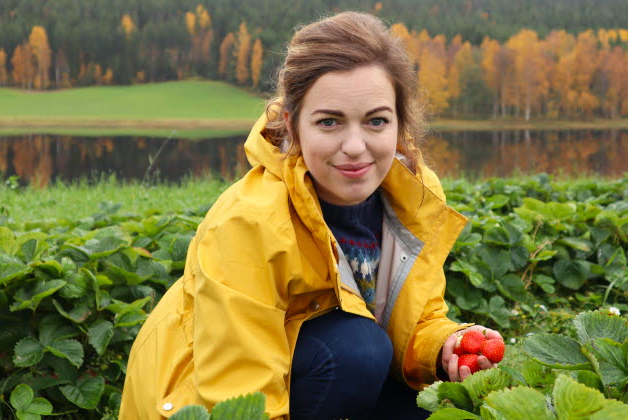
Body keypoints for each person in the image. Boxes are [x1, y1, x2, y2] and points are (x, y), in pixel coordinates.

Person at [119, 11, 502, 420]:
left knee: (427, 403)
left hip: (319, 377)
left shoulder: (412, 196)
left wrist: (443, 345)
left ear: (399, 124)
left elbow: (414, 316)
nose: (355, 146)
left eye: (376, 121)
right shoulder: (249, 223)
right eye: (329, 122)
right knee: (358, 350)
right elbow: (239, 390)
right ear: (292, 124)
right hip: (204, 403)